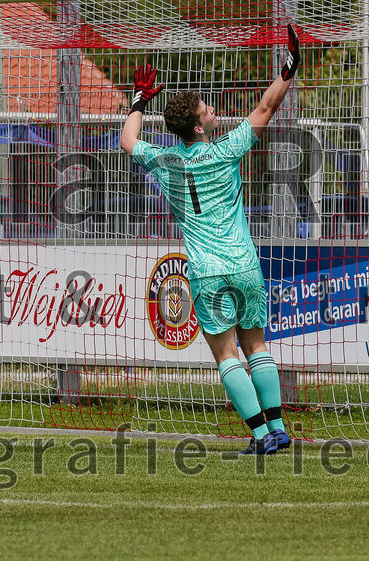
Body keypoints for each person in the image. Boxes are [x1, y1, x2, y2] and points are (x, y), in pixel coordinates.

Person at [119, 26, 302, 455]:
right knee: (256, 346)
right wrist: (289, 69)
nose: (212, 108)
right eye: (206, 108)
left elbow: (127, 140)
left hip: (205, 272)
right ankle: (277, 429)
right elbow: (265, 107)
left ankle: (260, 437)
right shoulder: (227, 149)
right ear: (200, 127)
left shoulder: (163, 159)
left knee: (226, 357)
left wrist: (138, 102)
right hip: (244, 264)